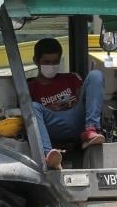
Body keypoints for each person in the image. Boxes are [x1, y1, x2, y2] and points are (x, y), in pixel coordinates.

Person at [27, 37, 104, 169]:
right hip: (52, 124)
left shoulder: (71, 78)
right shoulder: (29, 87)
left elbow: (85, 101)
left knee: (96, 75)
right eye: (47, 62)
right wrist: (49, 108)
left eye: (55, 62)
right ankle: (49, 155)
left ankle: (90, 131)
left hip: (75, 118)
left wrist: (73, 104)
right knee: (32, 107)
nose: (51, 66)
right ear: (36, 61)